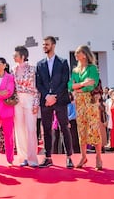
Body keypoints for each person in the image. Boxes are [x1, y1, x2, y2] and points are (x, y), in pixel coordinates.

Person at [37, 36, 73, 169]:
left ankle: (69, 157)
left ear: (53, 45)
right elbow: (38, 83)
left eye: (46, 44)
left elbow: (65, 81)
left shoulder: (63, 62)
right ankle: (48, 157)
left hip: (60, 100)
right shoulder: (40, 64)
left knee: (64, 128)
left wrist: (54, 96)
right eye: (43, 44)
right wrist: (47, 96)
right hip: (45, 101)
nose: (44, 46)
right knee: (46, 130)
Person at [68, 45, 101, 170]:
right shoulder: (75, 70)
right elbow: (70, 85)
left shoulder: (92, 68)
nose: (75, 55)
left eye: (78, 53)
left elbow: (93, 84)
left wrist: (79, 87)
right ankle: (83, 156)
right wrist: (82, 85)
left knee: (94, 127)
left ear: (85, 55)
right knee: (81, 127)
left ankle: (98, 157)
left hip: (90, 100)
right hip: (79, 101)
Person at [11, 46, 40, 167]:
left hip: (30, 99)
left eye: (16, 55)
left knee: (31, 129)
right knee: (19, 130)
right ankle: (23, 157)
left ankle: (33, 158)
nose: (14, 57)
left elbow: (37, 88)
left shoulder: (33, 69)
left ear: (23, 56)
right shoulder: (13, 69)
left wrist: (36, 103)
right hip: (18, 100)